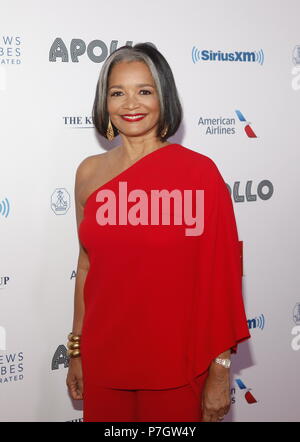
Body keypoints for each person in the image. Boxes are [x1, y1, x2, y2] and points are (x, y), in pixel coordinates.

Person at [66, 43, 251, 422]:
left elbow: (222, 278)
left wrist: (219, 369)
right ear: (105, 102)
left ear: (163, 97)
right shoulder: (88, 173)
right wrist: (77, 350)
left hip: (176, 363)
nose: (130, 103)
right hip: (105, 360)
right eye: (118, 92)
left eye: (144, 91)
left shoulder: (199, 174)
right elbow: (86, 266)